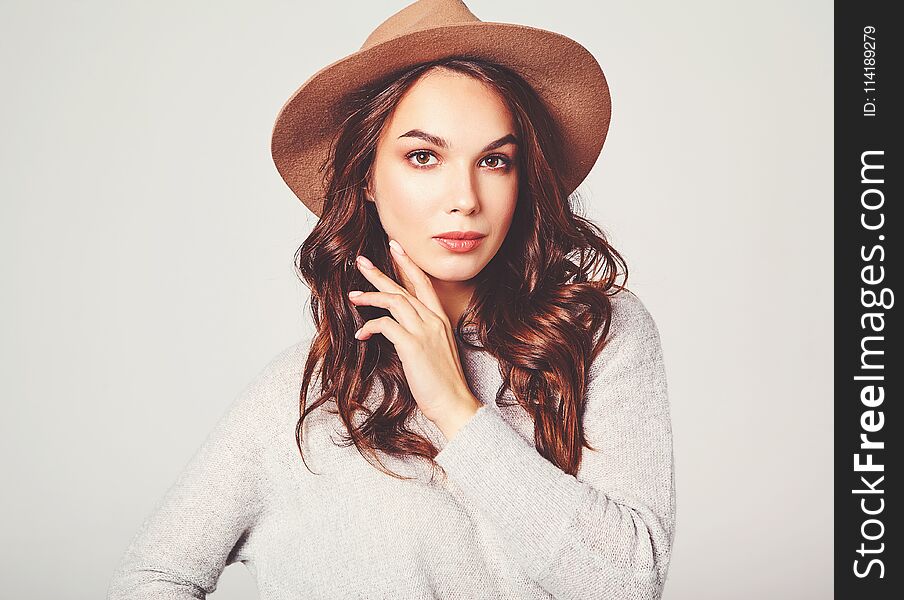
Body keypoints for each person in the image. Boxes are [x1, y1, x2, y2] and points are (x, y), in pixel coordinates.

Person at [106, 0, 676, 598]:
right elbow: (154, 577)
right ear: (368, 179)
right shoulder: (308, 394)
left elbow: (626, 584)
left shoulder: (595, 337)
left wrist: (456, 408)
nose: (465, 197)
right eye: (423, 156)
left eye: (494, 160)